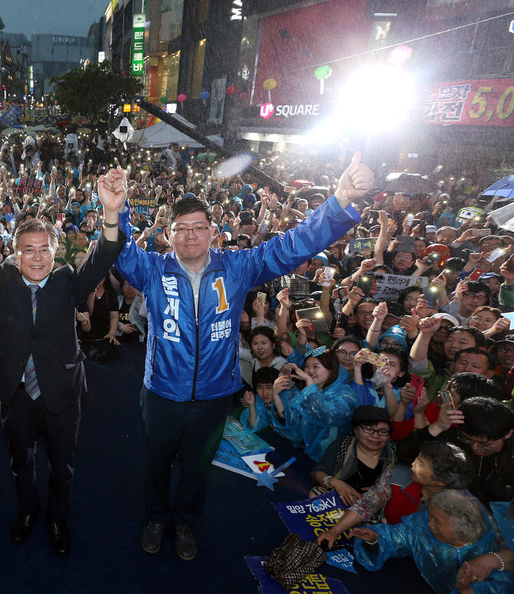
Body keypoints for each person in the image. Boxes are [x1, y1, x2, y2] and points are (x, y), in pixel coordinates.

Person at [114, 155, 373, 560]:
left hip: (216, 396)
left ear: (214, 232)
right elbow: (119, 249)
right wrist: (116, 211)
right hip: (161, 393)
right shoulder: (150, 269)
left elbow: (292, 245)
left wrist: (338, 201)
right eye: (181, 229)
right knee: (157, 464)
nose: (191, 236)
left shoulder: (238, 266)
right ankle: (156, 516)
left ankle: (185, 522)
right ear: (168, 234)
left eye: (200, 227)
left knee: (197, 469)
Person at [0, 167, 126, 555]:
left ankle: (58, 518)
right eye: (29, 249)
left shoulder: (67, 281)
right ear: (15, 253)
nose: (37, 256)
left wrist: (111, 212)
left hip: (61, 389)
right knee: (21, 461)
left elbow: (104, 253)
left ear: (56, 251)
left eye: (45, 248)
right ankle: (28, 511)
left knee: (63, 464)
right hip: (15, 390)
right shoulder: (4, 278)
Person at [317, 440, 472, 550]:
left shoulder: (458, 506)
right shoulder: (397, 475)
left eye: (421, 463)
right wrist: (334, 531)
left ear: (440, 481)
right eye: (418, 458)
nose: (413, 464)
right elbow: (367, 505)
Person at [352, 489, 513, 593]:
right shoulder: (423, 531)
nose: (429, 524)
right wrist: (374, 541)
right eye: (430, 516)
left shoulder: (490, 556)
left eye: (437, 522)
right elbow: (395, 536)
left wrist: (466, 590)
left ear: (462, 529)